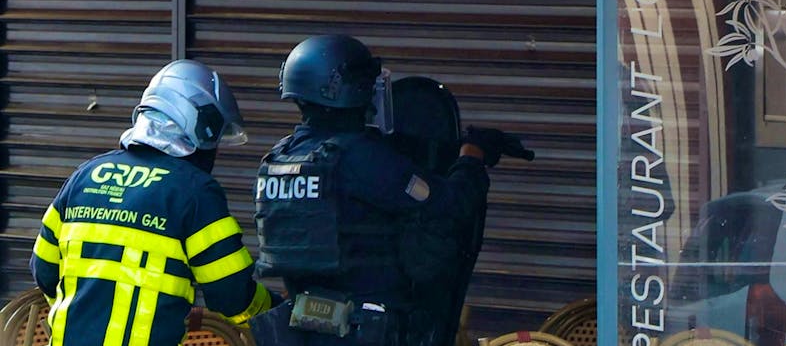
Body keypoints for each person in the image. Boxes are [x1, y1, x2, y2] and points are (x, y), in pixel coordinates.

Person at [250, 34, 530, 346]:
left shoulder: (278, 159)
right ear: (351, 89)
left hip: (306, 326)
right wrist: (472, 156)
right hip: (366, 329)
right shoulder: (360, 157)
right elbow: (450, 205)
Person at [30, 60, 277, 346]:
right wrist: (275, 310)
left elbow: (44, 271)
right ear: (200, 126)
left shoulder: (85, 175)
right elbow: (231, 294)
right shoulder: (195, 192)